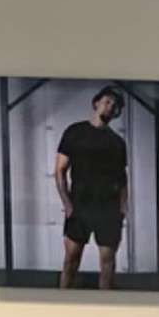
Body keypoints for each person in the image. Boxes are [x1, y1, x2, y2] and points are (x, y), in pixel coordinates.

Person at [55, 87, 130, 287]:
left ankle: (107, 313)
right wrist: (68, 204)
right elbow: (60, 170)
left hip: (108, 209)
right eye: (107, 101)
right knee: (71, 260)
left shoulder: (118, 143)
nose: (110, 107)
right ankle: (62, 306)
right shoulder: (75, 131)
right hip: (80, 206)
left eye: (115, 106)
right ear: (96, 103)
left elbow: (122, 178)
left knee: (108, 264)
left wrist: (123, 208)